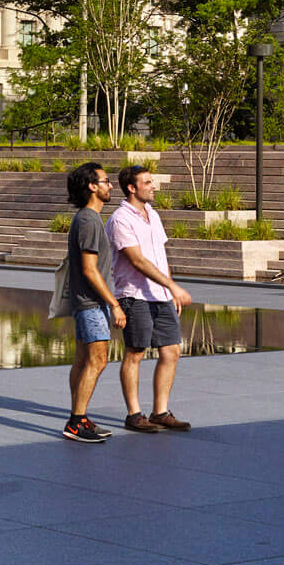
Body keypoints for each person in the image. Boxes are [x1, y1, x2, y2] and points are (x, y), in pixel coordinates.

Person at [109, 163, 193, 432]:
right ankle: (134, 414)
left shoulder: (152, 215)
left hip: (160, 295)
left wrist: (170, 290)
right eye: (147, 182)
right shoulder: (120, 219)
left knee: (172, 351)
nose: (153, 186)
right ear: (132, 188)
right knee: (135, 352)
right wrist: (173, 286)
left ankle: (160, 412)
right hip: (134, 296)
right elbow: (137, 260)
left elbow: (160, 255)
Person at [61, 161, 121, 442]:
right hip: (91, 304)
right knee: (97, 361)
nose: (111, 185)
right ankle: (76, 422)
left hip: (88, 303)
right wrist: (115, 304)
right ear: (91, 186)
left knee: (84, 360)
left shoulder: (88, 219)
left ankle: (80, 417)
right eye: (106, 181)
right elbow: (89, 269)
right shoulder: (88, 220)